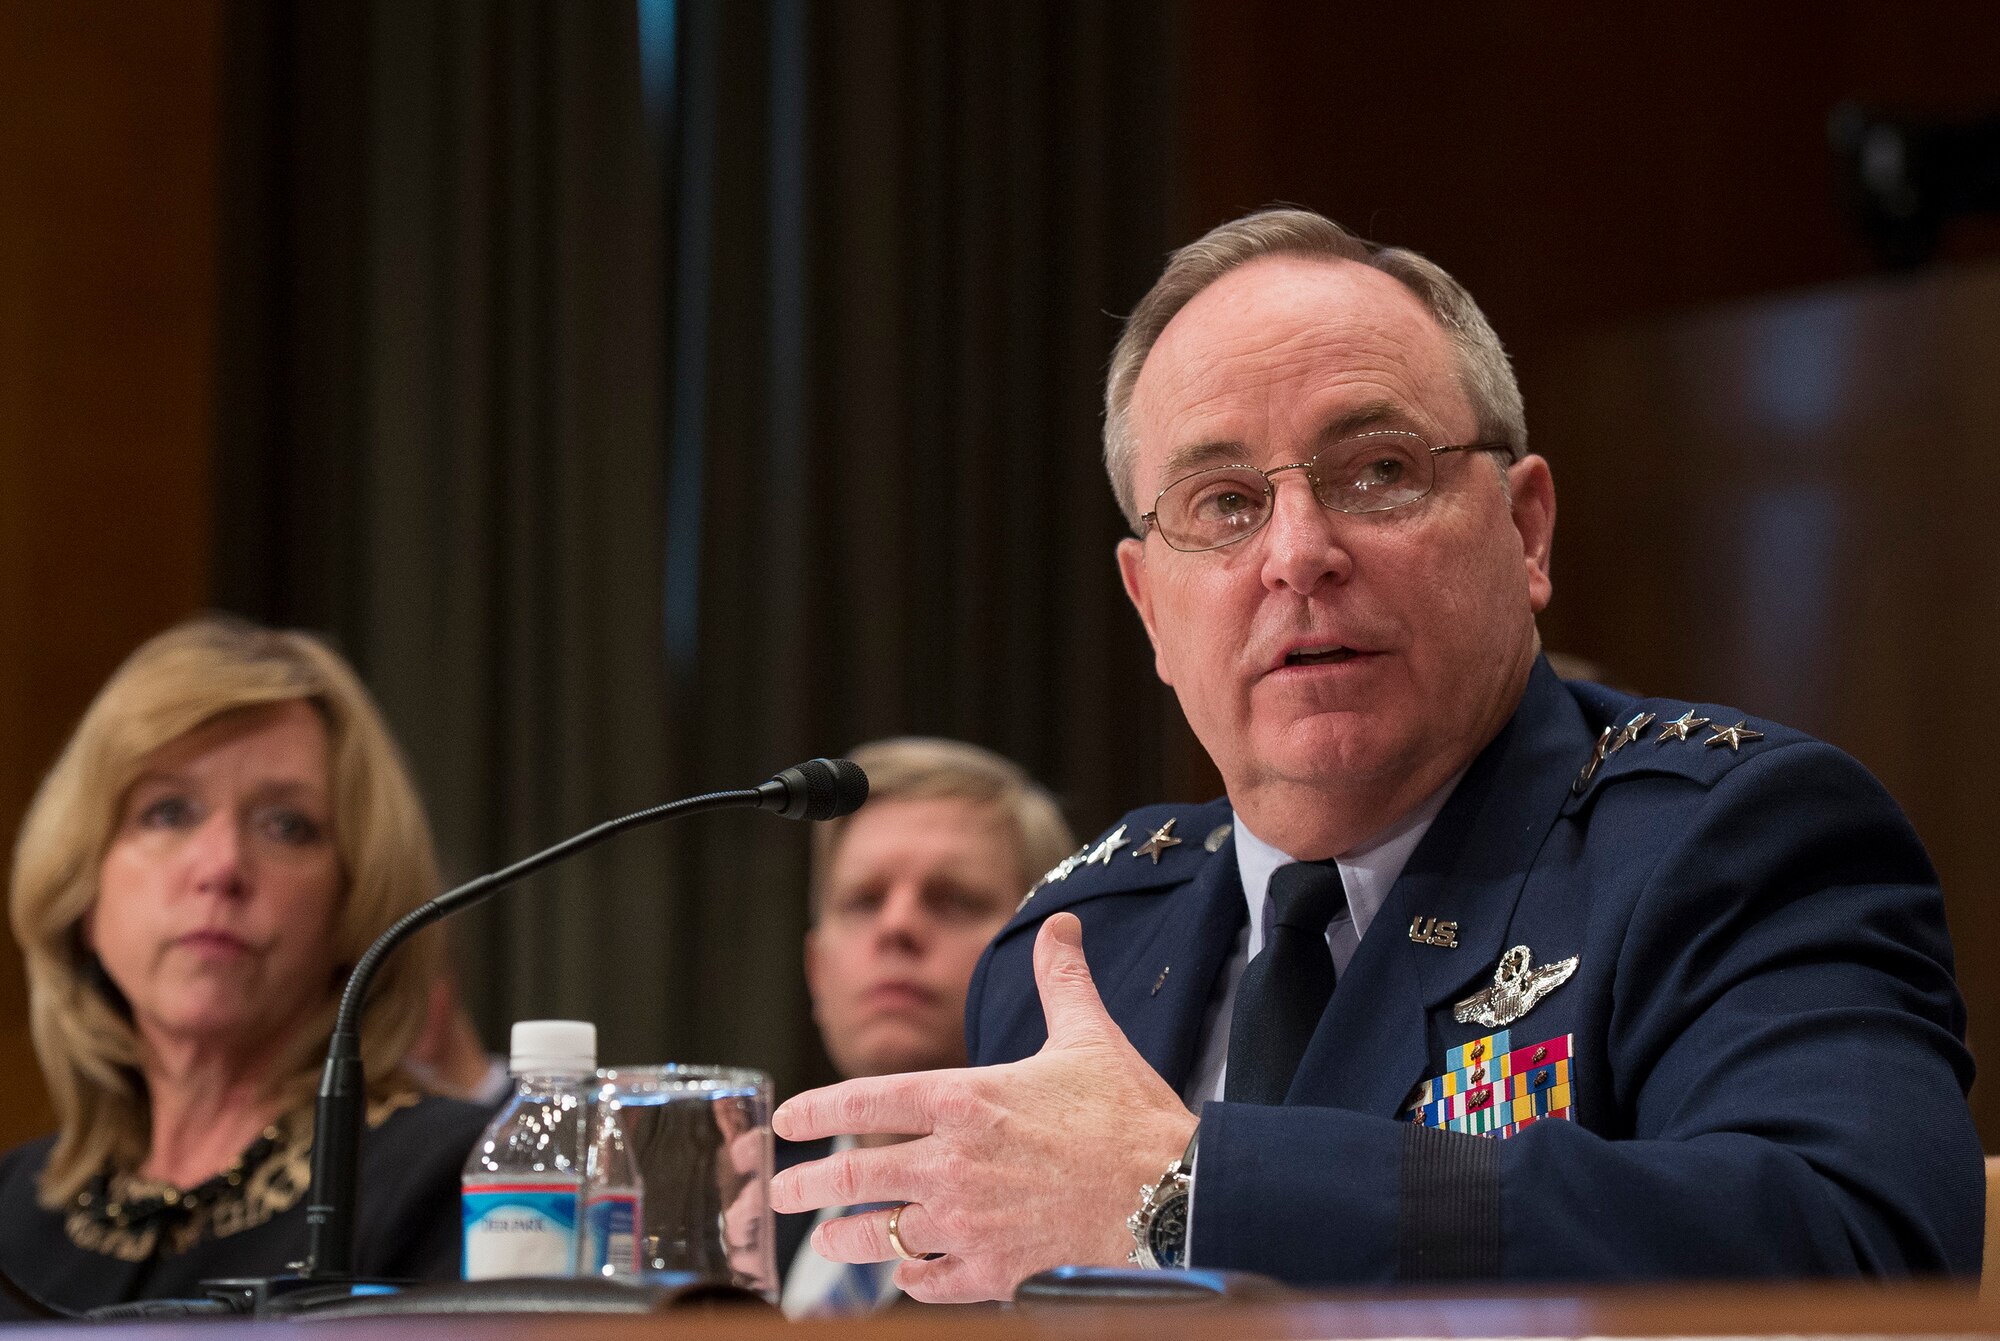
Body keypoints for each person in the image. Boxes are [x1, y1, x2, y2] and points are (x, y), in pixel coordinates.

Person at [767, 208, 1982, 1299]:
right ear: (1149, 607)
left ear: (1523, 531)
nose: (1296, 552)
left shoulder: (1725, 842)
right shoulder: (1075, 941)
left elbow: (1863, 1248)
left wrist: (1196, 1189)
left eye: (1378, 472)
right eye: (1224, 503)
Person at [0, 616, 492, 1315]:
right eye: (168, 811)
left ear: (355, 899)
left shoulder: (452, 1178)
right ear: (82, 886)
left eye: (286, 825)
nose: (223, 865)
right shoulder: (14, 1210)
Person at [777, 738, 1074, 1317]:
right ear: (817, 972)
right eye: (864, 901)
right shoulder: (742, 1209)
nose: (897, 926)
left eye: (953, 900)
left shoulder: (1079, 1247)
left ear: (1044, 956)